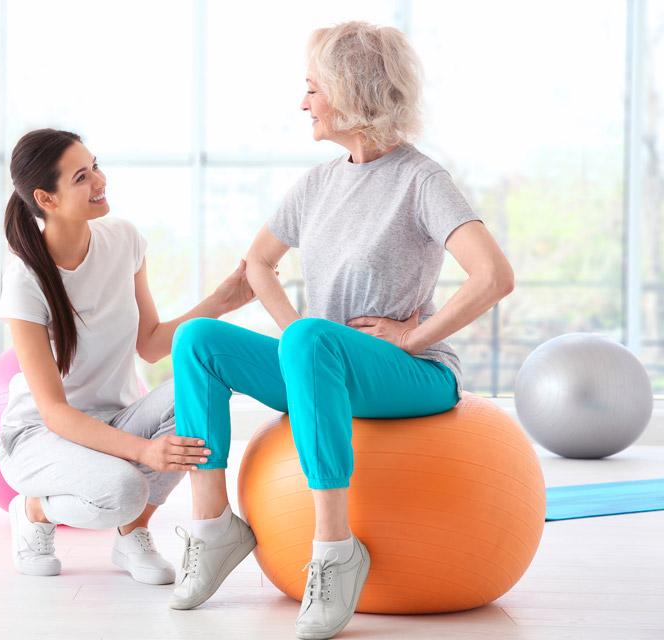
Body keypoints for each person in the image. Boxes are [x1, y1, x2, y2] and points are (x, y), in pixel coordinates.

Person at [168, 21, 515, 640]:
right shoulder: (319, 183)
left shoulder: (420, 180)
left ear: (351, 91)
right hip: (323, 364)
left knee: (307, 341)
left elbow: (493, 276)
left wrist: (413, 336)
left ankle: (334, 549)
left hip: (413, 375)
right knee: (198, 340)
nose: (303, 103)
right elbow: (257, 263)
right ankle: (213, 526)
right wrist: (294, 329)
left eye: (312, 88)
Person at [0, 128, 256, 584]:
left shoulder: (124, 240)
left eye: (95, 165)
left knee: (198, 389)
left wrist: (221, 301)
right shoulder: (25, 278)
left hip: (113, 418)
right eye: (81, 177)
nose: (100, 181)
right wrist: (143, 451)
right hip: (40, 435)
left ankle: (131, 534)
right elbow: (55, 412)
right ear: (47, 198)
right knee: (123, 488)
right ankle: (34, 509)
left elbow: (151, 344)